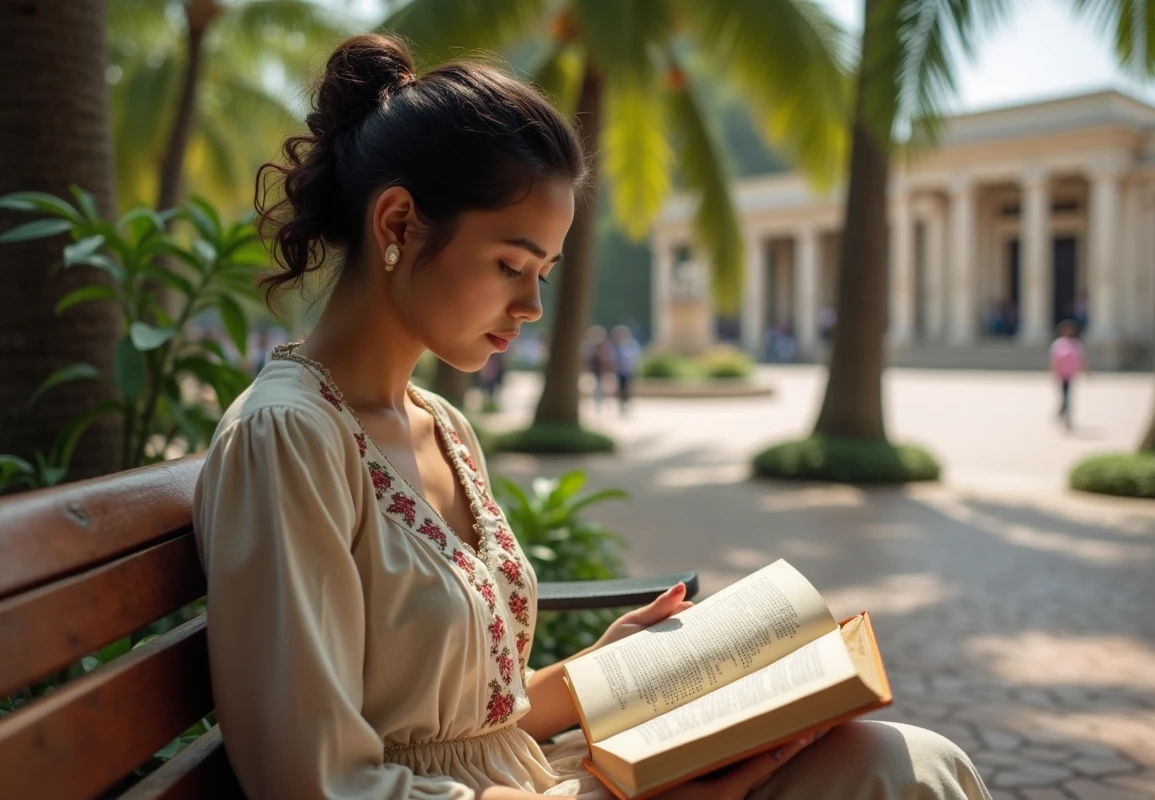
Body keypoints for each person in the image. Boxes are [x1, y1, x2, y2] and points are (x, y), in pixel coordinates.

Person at [192, 33, 992, 800]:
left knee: (893, 755)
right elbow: (311, 779)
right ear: (398, 223)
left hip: (529, 773)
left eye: (543, 270)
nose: (532, 305)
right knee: (902, 776)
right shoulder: (291, 437)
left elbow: (470, 716)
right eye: (510, 264)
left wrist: (607, 671)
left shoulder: (440, 425)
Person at [1049, 318, 1089, 429]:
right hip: (1061, 375)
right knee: (1064, 396)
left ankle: (1067, 417)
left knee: (1068, 396)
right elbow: (1054, 360)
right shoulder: (1058, 344)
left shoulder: (1077, 344)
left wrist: (1087, 372)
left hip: (1071, 374)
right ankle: (1062, 411)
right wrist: (1052, 372)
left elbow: (1081, 360)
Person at [609, 324, 642, 415]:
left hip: (628, 371)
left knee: (628, 389)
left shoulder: (631, 344)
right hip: (619, 371)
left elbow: (635, 357)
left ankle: (627, 404)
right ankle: (621, 405)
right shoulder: (614, 345)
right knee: (620, 389)